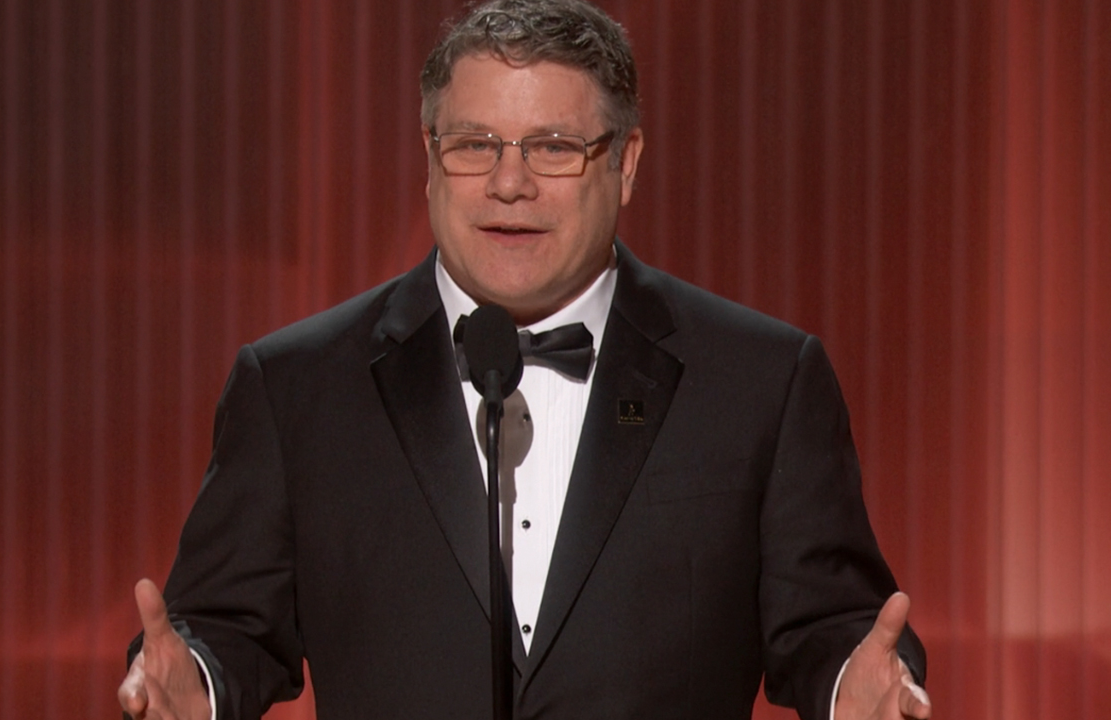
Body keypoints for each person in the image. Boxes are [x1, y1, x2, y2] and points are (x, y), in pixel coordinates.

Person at [117, 1, 932, 718]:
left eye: (553, 147)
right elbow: (227, 631)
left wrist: (852, 688)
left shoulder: (762, 380)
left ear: (627, 163)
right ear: (430, 157)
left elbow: (828, 628)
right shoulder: (298, 387)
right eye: (474, 144)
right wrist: (197, 685)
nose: (509, 183)